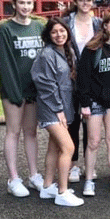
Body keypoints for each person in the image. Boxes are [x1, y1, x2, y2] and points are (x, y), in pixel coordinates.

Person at [0, 0, 44, 197]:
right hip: (14, 87)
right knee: (13, 131)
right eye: (21, 3)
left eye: (29, 3)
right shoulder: (6, 29)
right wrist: (14, 92)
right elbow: (5, 62)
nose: (25, 7)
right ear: (14, 4)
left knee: (31, 132)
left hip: (34, 87)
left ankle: (34, 174)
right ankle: (13, 177)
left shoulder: (38, 26)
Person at [31, 18, 84, 207]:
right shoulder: (46, 55)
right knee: (68, 147)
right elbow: (46, 85)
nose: (59, 35)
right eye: (54, 32)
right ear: (48, 35)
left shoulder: (67, 51)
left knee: (54, 147)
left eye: (62, 31)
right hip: (52, 108)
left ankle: (47, 186)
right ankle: (62, 190)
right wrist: (58, 110)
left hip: (65, 106)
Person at [77, 11, 110, 198]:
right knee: (93, 141)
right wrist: (84, 103)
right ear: (105, 25)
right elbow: (83, 77)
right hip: (95, 101)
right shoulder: (92, 48)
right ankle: (89, 179)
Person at [63, 0, 102, 183]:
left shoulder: (99, 24)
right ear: (75, 1)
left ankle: (89, 164)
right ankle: (73, 164)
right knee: (72, 122)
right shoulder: (67, 22)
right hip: (71, 75)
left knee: (90, 121)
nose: (85, 3)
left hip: (93, 78)